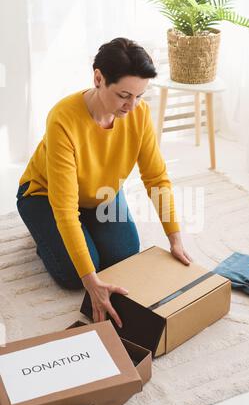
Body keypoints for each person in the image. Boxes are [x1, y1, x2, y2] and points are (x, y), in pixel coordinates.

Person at [16, 37, 192, 326]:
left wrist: (175, 238)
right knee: (76, 275)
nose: (132, 106)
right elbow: (64, 208)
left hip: (100, 192)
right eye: (124, 95)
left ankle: (75, 236)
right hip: (44, 196)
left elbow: (156, 177)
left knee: (124, 255)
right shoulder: (63, 118)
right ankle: (43, 234)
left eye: (139, 96)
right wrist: (90, 280)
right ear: (98, 78)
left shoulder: (139, 114)